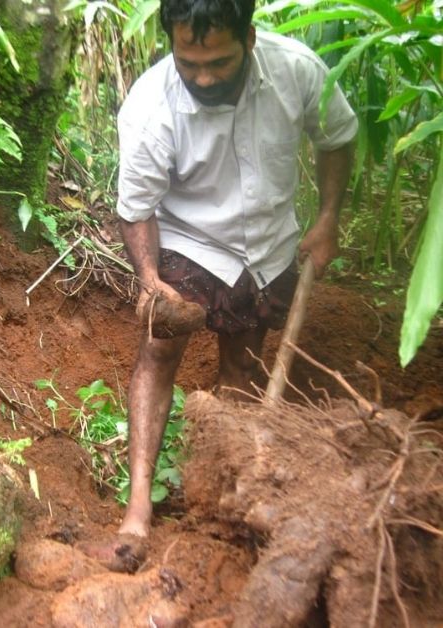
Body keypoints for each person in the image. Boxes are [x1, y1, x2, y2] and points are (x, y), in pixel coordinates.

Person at [82, 0, 357, 572]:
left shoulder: (297, 71)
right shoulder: (151, 106)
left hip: (269, 245)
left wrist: (329, 216)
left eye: (219, 62)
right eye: (189, 62)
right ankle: (137, 511)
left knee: (242, 364)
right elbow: (136, 209)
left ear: (250, 38)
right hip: (190, 238)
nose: (204, 77)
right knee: (158, 352)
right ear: (173, 46)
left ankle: (215, 494)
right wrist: (151, 279)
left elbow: (337, 136)